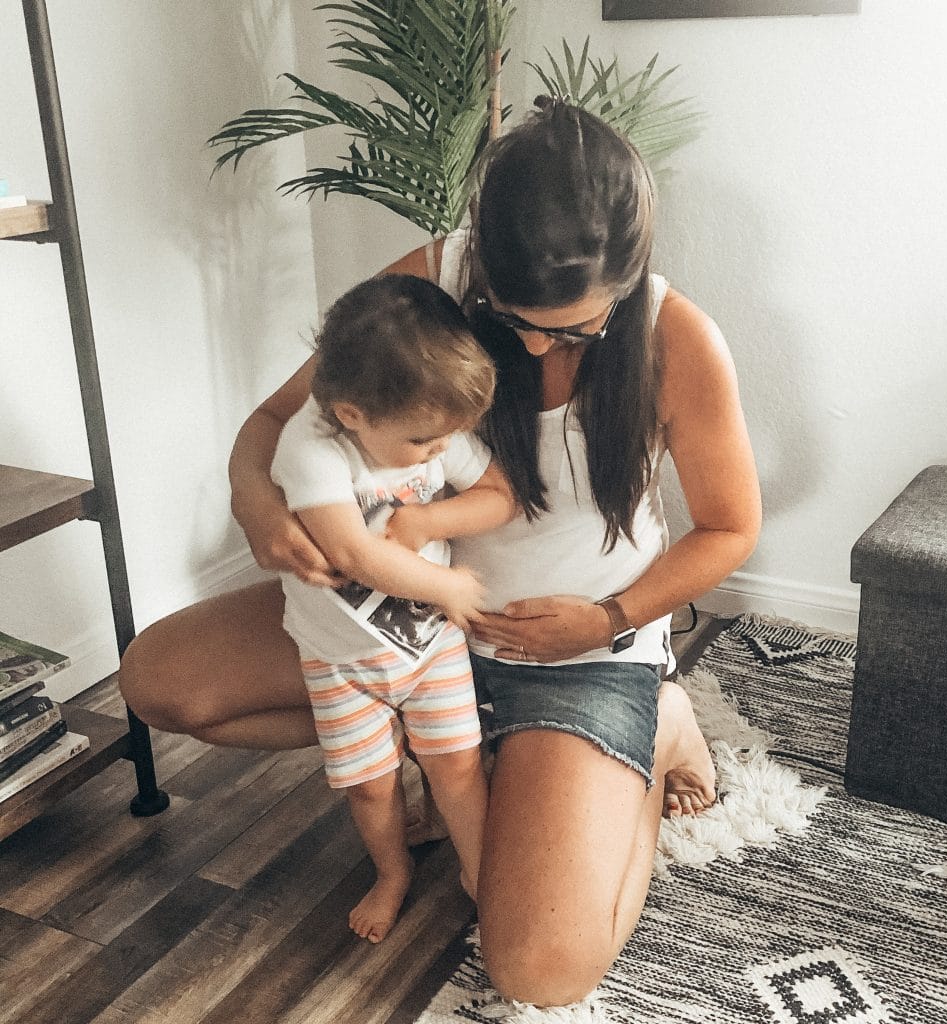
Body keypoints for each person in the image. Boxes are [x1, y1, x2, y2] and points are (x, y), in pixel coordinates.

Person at [120, 99, 761, 1006]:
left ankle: (655, 725)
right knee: (159, 680)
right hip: (398, 626)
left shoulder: (677, 338)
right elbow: (271, 422)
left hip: (574, 654)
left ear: (628, 278)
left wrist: (608, 619)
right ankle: (433, 749)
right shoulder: (433, 281)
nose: (538, 344)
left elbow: (730, 527)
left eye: (575, 329)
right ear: (480, 260)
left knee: (539, 971)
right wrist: (258, 506)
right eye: (514, 317)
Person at [269, 273, 516, 942]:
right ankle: (392, 871)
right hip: (340, 660)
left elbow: (501, 494)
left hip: (430, 650)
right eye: (424, 445)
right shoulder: (312, 447)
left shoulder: (428, 422)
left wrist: (433, 519)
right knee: (372, 786)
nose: (438, 453)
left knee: (458, 767)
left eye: (445, 442)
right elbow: (350, 552)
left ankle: (480, 872)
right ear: (351, 414)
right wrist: (448, 587)